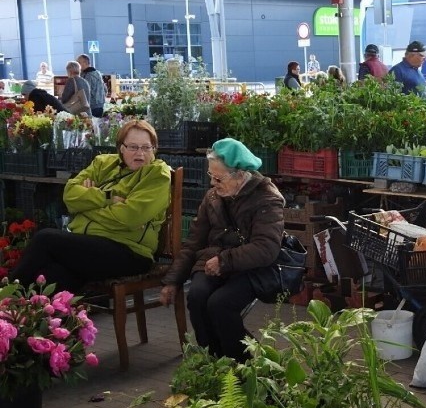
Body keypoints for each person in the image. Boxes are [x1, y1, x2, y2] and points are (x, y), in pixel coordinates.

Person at [160, 138, 286, 361]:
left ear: (240, 175)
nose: (212, 184)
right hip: (213, 262)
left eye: (218, 178)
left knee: (220, 304)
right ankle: (215, 361)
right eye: (211, 176)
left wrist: (224, 260)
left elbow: (266, 248)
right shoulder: (212, 198)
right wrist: (173, 280)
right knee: (197, 297)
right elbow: (194, 243)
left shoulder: (267, 198)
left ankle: (250, 364)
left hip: (252, 268)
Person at [10, 120, 171, 292]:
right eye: (133, 147)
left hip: (130, 252)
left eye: (146, 147)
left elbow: (130, 217)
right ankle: (21, 315)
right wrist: (107, 198)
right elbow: (69, 194)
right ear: (121, 148)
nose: (140, 154)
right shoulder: (103, 163)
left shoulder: (157, 174)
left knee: (45, 239)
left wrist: (84, 207)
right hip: (91, 246)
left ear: (154, 149)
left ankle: (5, 297)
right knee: (54, 275)